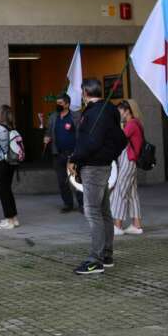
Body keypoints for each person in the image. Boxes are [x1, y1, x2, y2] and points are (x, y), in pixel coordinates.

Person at [68, 78, 126, 276]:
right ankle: (107, 254)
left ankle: (96, 260)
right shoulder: (110, 110)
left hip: (93, 167)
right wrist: (109, 156)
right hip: (103, 165)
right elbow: (120, 138)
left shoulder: (94, 113)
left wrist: (75, 158)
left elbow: (90, 142)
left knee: (92, 211)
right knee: (103, 211)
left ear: (85, 93)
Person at [43, 93, 82, 213]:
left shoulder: (75, 117)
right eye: (57, 103)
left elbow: (81, 134)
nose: (58, 105)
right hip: (58, 154)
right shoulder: (54, 117)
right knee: (61, 181)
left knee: (76, 180)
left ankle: (82, 205)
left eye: (60, 103)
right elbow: (48, 131)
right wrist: (46, 137)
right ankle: (68, 204)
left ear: (67, 104)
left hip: (73, 154)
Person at [112, 101, 144, 236]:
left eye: (120, 111)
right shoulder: (137, 123)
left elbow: (118, 139)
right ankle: (137, 225)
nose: (119, 115)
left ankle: (117, 226)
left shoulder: (131, 125)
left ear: (127, 111)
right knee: (132, 194)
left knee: (119, 191)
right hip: (132, 161)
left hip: (128, 161)